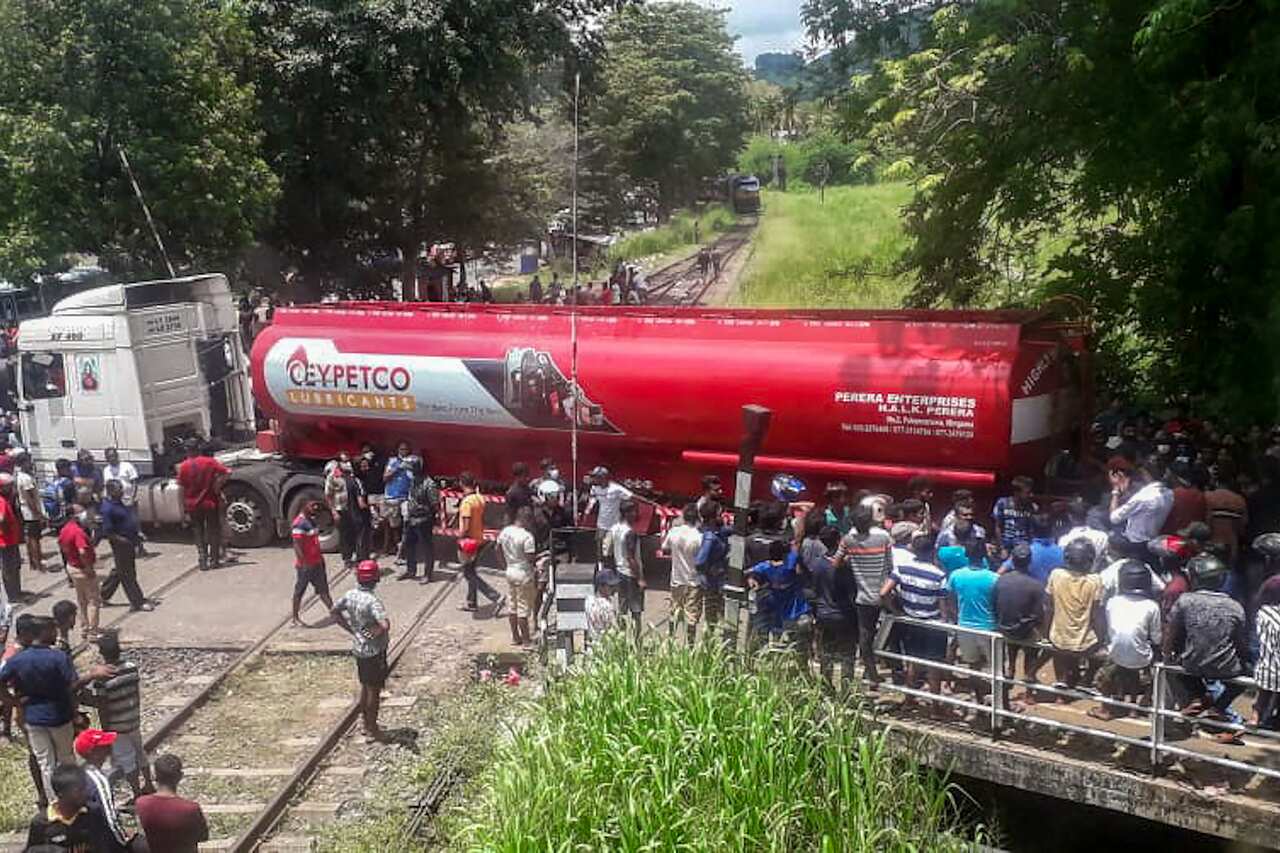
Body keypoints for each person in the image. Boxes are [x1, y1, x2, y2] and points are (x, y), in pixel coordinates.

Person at [0, 617, 114, 807]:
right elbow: (72, 687)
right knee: (67, 760)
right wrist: (91, 675)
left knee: (46, 763)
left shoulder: (18, 659)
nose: (56, 634)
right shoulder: (58, 657)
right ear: (44, 632)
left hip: (33, 719)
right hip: (59, 718)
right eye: (53, 630)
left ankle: (56, 804)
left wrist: (12, 701)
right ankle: (74, 801)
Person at [1165, 554, 1249, 744]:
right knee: (1247, 676)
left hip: (1192, 664)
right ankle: (1219, 706)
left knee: (1179, 669)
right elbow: (1240, 641)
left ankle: (1199, 698)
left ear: (1195, 579)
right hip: (1225, 667)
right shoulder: (1235, 606)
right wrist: (1246, 660)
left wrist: (1166, 653)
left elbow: (1172, 631)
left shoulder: (1185, 600)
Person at [322, 559, 390, 742]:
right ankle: (372, 728)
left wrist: (351, 630)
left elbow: (334, 611)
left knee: (365, 687)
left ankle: (365, 724)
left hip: (359, 648)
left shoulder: (350, 595)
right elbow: (384, 624)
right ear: (376, 579)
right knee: (374, 690)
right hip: (374, 652)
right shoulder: (373, 602)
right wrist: (375, 631)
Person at [881, 529, 949, 707]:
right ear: (932, 551)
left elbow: (884, 593)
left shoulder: (902, 569)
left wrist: (896, 612)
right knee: (934, 667)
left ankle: (909, 700)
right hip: (933, 624)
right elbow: (943, 605)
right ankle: (935, 707)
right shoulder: (939, 575)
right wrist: (946, 622)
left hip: (911, 621)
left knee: (914, 662)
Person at [82, 631, 151, 798]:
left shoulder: (102, 679)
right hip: (133, 719)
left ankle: (136, 792)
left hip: (117, 726)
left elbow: (102, 705)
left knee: (127, 759)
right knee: (140, 752)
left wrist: (106, 730)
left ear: (102, 653)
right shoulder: (131, 668)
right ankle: (149, 783)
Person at [1091, 560, 1162, 720]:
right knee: (1136, 672)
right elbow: (1156, 637)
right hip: (1141, 657)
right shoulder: (1152, 606)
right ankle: (1134, 707)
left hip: (1116, 653)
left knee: (1107, 676)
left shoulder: (1113, 602)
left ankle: (1106, 708)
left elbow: (1110, 628)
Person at [835, 504, 893, 689]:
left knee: (865, 635)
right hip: (885, 593)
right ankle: (892, 670)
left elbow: (836, 563)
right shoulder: (883, 537)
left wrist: (851, 559)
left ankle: (871, 672)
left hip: (863, 597)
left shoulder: (848, 540)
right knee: (889, 634)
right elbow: (890, 564)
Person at [1044, 540, 1105, 694]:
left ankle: (1063, 679)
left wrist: (1046, 633)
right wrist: (1102, 640)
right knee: (1102, 653)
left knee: (1061, 648)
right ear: (1090, 560)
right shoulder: (1095, 581)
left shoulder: (1056, 575)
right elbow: (1096, 615)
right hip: (1084, 644)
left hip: (1058, 639)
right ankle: (1086, 680)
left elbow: (1048, 607)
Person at [943, 544, 999, 703]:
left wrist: (956, 616)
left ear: (966, 555)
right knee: (996, 667)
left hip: (964, 626)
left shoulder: (956, 575)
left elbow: (949, 599)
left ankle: (978, 699)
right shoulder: (994, 578)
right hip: (988, 627)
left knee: (973, 666)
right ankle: (998, 703)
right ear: (985, 555)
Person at [25, 763, 119, 852]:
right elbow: (32, 850)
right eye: (79, 790)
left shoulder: (92, 815)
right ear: (61, 794)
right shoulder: (41, 823)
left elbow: (106, 846)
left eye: (85, 788)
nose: (85, 793)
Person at [995, 543, 1046, 702]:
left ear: (1013, 560)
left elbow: (995, 605)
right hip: (1026, 631)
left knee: (1011, 656)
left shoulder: (1000, 580)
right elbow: (1039, 614)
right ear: (1029, 561)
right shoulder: (1036, 586)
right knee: (1030, 658)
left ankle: (1009, 676)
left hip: (1005, 628)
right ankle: (1029, 693)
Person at [74, 728, 136, 850]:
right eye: (105, 745)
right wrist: (124, 841)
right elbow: (109, 816)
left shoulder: (81, 773)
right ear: (94, 753)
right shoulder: (99, 780)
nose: (110, 747)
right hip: (103, 839)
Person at [135, 754, 210, 853]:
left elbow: (142, 832)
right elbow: (203, 836)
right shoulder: (191, 809)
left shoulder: (142, 803)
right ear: (180, 776)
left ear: (154, 776)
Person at [175, 439, 230, 570]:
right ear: (199, 448)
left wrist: (182, 509)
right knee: (214, 530)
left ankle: (203, 560)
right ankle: (215, 560)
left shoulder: (183, 467)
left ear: (187, 450)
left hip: (192, 505)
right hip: (210, 502)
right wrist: (217, 486)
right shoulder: (209, 462)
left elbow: (181, 489)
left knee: (198, 531)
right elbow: (227, 472)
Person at [99, 482, 152, 612]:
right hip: (121, 545)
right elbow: (108, 532)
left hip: (130, 542)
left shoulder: (120, 503)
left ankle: (103, 595)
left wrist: (137, 533)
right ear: (111, 491)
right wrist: (124, 541)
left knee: (120, 571)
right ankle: (137, 601)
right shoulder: (108, 509)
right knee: (128, 574)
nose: (122, 491)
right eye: (119, 489)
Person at [457, 472, 504, 613]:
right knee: (471, 571)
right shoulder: (479, 498)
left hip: (469, 543)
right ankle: (471, 602)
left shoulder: (466, 503)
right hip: (479, 539)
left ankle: (496, 596)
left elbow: (466, 525)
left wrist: (460, 539)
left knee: (468, 573)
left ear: (461, 483)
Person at [1109, 457, 1174, 557]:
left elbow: (1114, 518)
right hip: (1152, 538)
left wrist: (1116, 489)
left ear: (1146, 474)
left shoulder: (1143, 496)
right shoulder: (1169, 494)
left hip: (1134, 543)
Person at [496, 506, 538, 646]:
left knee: (512, 606)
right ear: (526, 520)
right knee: (523, 608)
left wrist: (504, 565)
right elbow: (530, 558)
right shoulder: (527, 537)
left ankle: (515, 637)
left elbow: (497, 549)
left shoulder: (505, 531)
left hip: (510, 570)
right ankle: (526, 640)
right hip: (523, 573)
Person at [59, 503, 101, 642]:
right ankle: (93, 632)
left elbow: (62, 546)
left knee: (82, 600)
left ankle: (84, 628)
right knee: (93, 601)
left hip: (72, 567)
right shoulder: (78, 532)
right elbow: (82, 551)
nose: (84, 514)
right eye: (81, 512)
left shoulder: (64, 529)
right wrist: (88, 568)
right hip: (82, 569)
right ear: (73, 515)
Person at [663, 504, 704, 645]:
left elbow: (664, 548)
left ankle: (670, 642)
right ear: (698, 518)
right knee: (691, 618)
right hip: (694, 582)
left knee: (674, 613)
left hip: (677, 580)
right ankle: (690, 646)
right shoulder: (699, 537)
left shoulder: (674, 532)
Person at [289, 501, 335, 626]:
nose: (314, 510)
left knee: (323, 589)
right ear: (304, 506)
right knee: (300, 591)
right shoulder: (299, 524)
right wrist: (304, 562)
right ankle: (295, 617)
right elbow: (297, 545)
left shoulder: (311, 520)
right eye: (312, 507)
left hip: (317, 562)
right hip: (306, 565)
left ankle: (334, 612)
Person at [399, 457, 437, 583]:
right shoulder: (413, 480)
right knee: (409, 544)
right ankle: (411, 570)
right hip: (411, 518)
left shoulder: (429, 484)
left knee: (426, 547)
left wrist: (426, 516)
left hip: (424, 520)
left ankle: (428, 574)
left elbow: (434, 504)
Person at [610, 500, 645, 637]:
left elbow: (608, 551)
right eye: (634, 511)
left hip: (619, 572)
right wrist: (640, 578)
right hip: (630, 574)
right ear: (627, 513)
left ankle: (622, 638)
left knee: (622, 608)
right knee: (636, 611)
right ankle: (637, 641)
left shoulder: (615, 529)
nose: (636, 514)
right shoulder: (630, 533)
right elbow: (631, 558)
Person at [102, 448, 145, 557]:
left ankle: (140, 547)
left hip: (128, 499)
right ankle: (126, 548)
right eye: (109, 456)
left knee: (134, 524)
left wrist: (132, 497)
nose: (111, 458)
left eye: (113, 455)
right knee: (120, 526)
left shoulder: (127, 466)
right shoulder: (106, 470)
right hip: (115, 502)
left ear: (117, 455)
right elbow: (107, 486)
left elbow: (134, 482)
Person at [693, 501, 729, 628]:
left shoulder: (716, 531)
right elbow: (700, 561)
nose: (722, 516)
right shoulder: (710, 536)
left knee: (717, 610)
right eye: (719, 514)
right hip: (713, 578)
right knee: (713, 611)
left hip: (717, 577)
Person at [1253, 578, 1280, 729]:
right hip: (1273, 670)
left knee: (1265, 688)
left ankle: (1256, 716)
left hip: (1265, 670)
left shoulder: (1262, 613)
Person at [1204, 475, 1249, 565]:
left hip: (1210, 543)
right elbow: (1243, 526)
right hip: (1231, 544)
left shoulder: (1207, 497)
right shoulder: (1239, 500)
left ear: (1216, 483)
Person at [14, 452, 47, 574]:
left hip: (25, 511)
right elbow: (30, 499)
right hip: (31, 513)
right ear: (23, 463)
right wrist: (39, 514)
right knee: (35, 539)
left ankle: (33, 563)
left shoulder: (19, 476)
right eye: (28, 461)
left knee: (29, 537)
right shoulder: (26, 479)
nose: (31, 463)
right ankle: (38, 563)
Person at [325, 454, 359, 568]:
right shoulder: (333, 476)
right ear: (339, 463)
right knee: (344, 535)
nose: (346, 464)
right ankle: (347, 558)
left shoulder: (352, 474)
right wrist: (334, 512)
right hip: (341, 509)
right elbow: (328, 495)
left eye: (347, 461)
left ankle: (356, 555)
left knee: (355, 532)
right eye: (344, 462)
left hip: (353, 508)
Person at [381, 442, 413, 559]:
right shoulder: (393, 461)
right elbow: (385, 478)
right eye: (401, 449)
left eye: (406, 449)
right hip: (392, 497)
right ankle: (388, 547)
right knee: (391, 525)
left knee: (405, 524)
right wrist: (397, 469)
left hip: (406, 497)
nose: (404, 451)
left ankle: (402, 549)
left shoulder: (411, 461)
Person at [992, 475, 1037, 553]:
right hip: (1006, 545)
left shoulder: (1031, 507)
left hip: (1023, 547)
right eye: (1027, 493)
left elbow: (1031, 529)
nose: (1030, 495)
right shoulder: (1002, 503)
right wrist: (1001, 548)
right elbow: (997, 526)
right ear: (1017, 492)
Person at [587, 466, 632, 539]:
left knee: (610, 545)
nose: (594, 479)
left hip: (614, 525)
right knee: (600, 544)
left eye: (596, 477)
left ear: (603, 478)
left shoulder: (616, 488)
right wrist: (588, 510)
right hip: (601, 525)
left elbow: (631, 497)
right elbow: (592, 499)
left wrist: (626, 512)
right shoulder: (594, 488)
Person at [0, 472, 22, 604]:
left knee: (14, 566)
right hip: (6, 541)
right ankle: (13, 595)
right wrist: (6, 529)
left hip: (11, 540)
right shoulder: (1, 501)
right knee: (9, 568)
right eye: (8, 486)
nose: (11, 488)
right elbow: (1, 518)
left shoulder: (6, 499)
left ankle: (16, 591)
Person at [584, 571, 620, 644]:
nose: (613, 589)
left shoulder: (588, 601)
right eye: (610, 586)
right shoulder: (607, 606)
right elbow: (614, 628)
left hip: (593, 643)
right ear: (600, 586)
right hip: (606, 645)